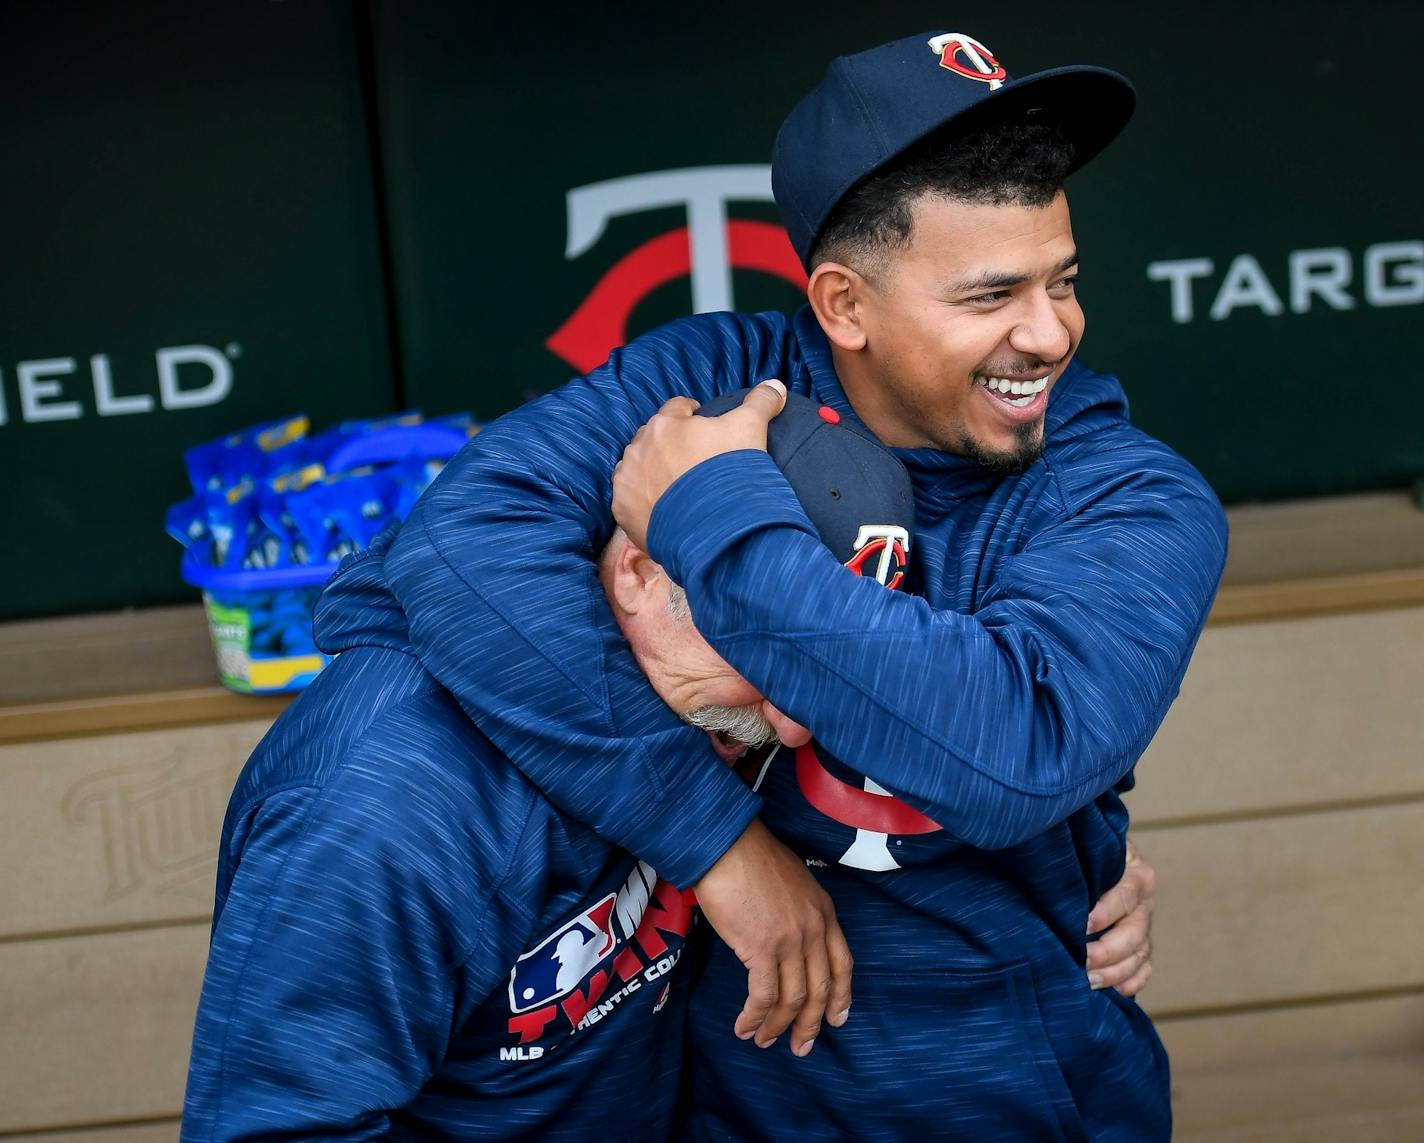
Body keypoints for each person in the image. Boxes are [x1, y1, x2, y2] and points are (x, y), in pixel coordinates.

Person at [381, 28, 1225, 1142]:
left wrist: (711, 522)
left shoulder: (1127, 498)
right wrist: (717, 846)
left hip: (1009, 1101)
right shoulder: (708, 382)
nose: (1049, 331)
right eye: (989, 296)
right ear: (842, 305)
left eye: (1061, 280)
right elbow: (447, 559)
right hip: (714, 1095)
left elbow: (1016, 755)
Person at [180, 394, 1156, 1139]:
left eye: (819, 666)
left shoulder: (707, 697)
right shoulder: (385, 807)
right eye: (765, 653)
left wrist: (1077, 866)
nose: (796, 719)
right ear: (641, 568)